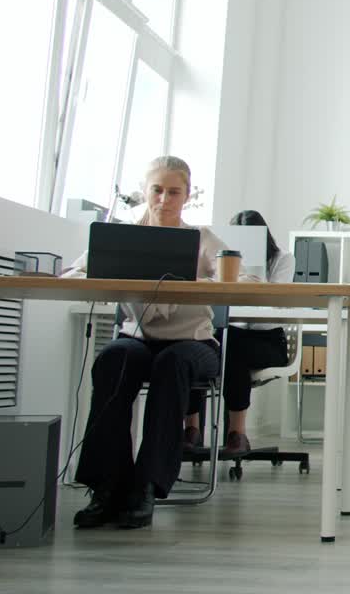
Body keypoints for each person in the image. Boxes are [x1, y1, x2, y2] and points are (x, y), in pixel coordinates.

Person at [64, 156, 223, 529]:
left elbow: (242, 276)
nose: (165, 199)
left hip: (193, 344)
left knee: (173, 363)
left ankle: (147, 486)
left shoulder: (203, 238)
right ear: (145, 191)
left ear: (187, 196)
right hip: (138, 340)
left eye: (174, 192)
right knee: (114, 358)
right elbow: (77, 269)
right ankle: (107, 485)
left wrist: (200, 284)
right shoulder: (122, 236)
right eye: (157, 190)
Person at [183, 210, 296, 455]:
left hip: (267, 340)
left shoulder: (282, 258)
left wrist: (251, 278)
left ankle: (237, 432)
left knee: (233, 348)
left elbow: (275, 302)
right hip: (229, 334)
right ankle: (191, 428)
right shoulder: (218, 257)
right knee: (194, 345)